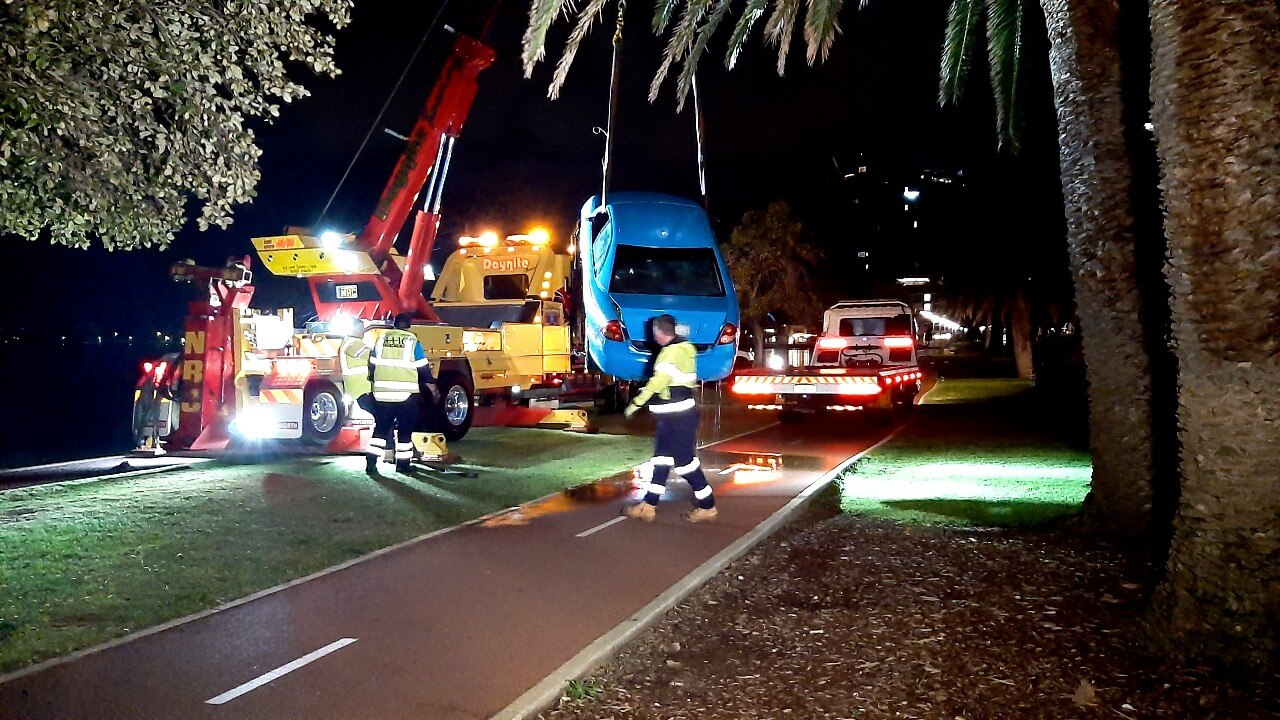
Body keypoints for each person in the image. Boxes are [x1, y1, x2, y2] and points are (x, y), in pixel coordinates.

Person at [621, 314, 717, 523]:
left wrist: (637, 403)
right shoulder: (683, 349)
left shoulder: (670, 353)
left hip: (677, 417)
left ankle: (707, 505)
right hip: (674, 415)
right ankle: (649, 504)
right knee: (661, 460)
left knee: (685, 463)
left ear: (658, 331)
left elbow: (658, 382)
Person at [366, 313, 433, 473]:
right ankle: (402, 465)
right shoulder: (412, 341)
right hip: (406, 395)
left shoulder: (381, 339)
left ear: (394, 324)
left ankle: (371, 464)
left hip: (382, 394)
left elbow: (372, 364)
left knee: (380, 430)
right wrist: (431, 383)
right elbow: (422, 366)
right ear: (408, 325)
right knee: (405, 431)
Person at [338, 319, 373, 415]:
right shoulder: (352, 343)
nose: (363, 331)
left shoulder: (351, 342)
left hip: (360, 386)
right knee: (377, 412)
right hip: (360, 387)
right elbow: (370, 354)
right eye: (361, 328)